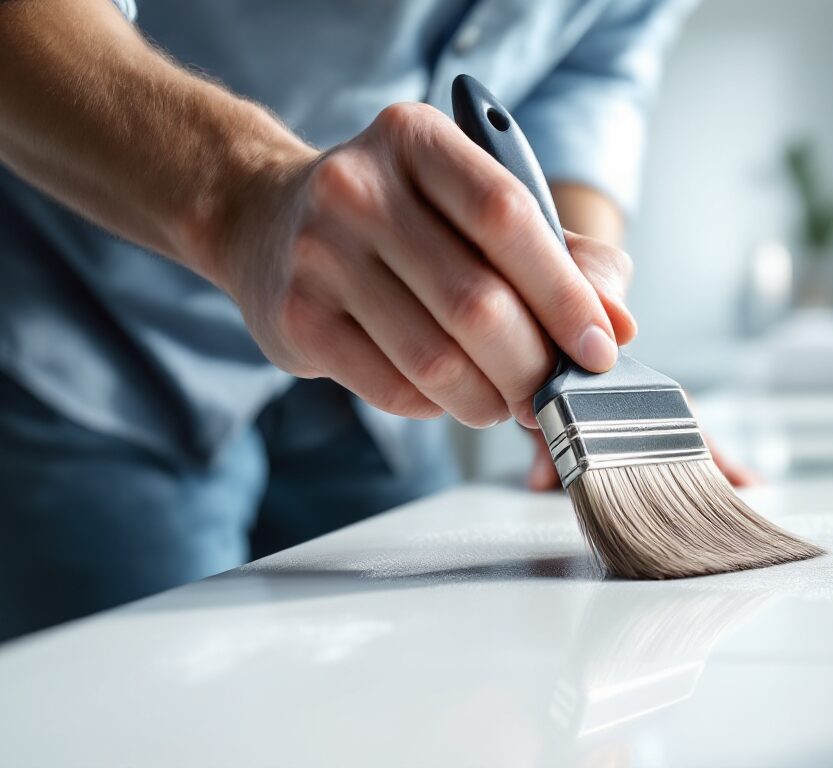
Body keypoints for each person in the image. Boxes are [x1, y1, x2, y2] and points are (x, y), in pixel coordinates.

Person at [0, 0, 748, 643]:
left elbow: (588, 72)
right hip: (96, 344)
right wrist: (243, 199)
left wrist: (568, 325)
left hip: (388, 388)